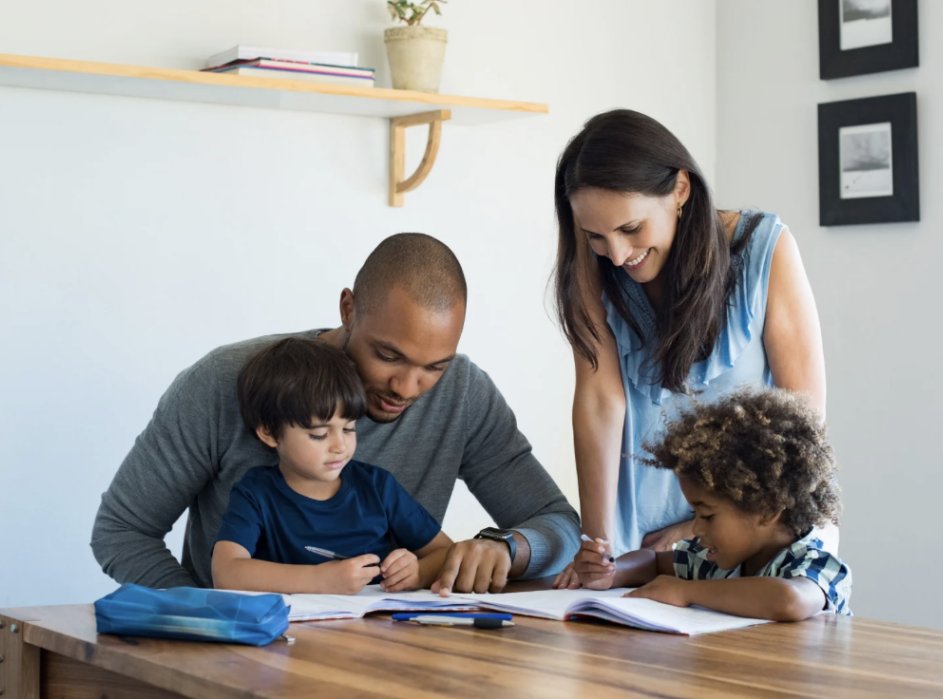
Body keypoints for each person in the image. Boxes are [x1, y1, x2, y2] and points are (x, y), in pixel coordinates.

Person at [92, 233, 580, 594]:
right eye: (388, 356)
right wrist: (207, 616)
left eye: (434, 366)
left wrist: (507, 548)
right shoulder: (224, 383)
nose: (407, 388)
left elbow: (558, 524)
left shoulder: (463, 393)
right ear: (348, 308)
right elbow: (122, 531)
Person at [551, 109, 832, 589]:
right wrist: (597, 547)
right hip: (635, 547)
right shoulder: (593, 266)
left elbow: (801, 424)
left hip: (750, 540)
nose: (617, 255)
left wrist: (700, 528)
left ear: (680, 189)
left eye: (631, 229)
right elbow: (600, 401)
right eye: (595, 236)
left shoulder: (766, 249)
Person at [574, 387, 852, 620]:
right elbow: (653, 563)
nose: (696, 529)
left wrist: (685, 592)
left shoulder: (814, 562)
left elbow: (788, 600)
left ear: (768, 508)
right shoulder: (716, 560)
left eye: (707, 516)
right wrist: (611, 573)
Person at [211, 338, 453, 595]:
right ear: (270, 433)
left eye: (349, 428)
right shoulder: (255, 494)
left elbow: (446, 551)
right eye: (319, 434)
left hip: (377, 629)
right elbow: (226, 573)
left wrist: (418, 573)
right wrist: (319, 580)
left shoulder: (377, 487)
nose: (340, 446)